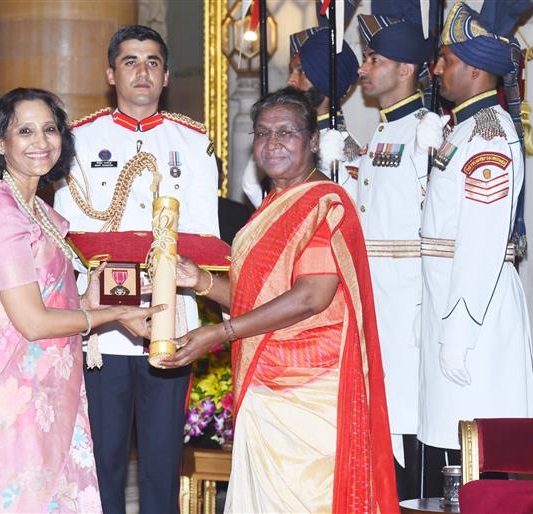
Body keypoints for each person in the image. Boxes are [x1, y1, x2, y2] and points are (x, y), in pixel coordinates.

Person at [161, 87, 398, 513]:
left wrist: (220, 331)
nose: (272, 143)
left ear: (312, 141)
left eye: (287, 133)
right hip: (266, 385)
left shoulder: (326, 204)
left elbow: (311, 296)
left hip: (310, 388)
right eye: (263, 133)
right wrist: (199, 281)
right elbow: (256, 299)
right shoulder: (271, 206)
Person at [0, 87, 163, 513]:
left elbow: (54, 303)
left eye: (50, 129)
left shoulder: (38, 210)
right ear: (0, 144)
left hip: (46, 388)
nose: (41, 141)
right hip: (5, 392)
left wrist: (100, 294)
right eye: (25, 131)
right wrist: (112, 313)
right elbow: (32, 320)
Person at [54, 25, 219, 514]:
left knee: (162, 458)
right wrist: (117, 310)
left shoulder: (192, 143)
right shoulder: (79, 141)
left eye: (151, 62)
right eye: (130, 61)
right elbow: (71, 241)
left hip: (171, 320)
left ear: (166, 75)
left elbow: (204, 240)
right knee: (101, 455)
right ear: (111, 73)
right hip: (103, 329)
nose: (141, 71)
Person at [418, 0, 533, 495]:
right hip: (450, 306)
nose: (438, 67)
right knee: (453, 454)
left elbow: (482, 241)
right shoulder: (463, 129)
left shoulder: (489, 135)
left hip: (475, 317)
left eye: (446, 58)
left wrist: (459, 334)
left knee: (478, 462)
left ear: (474, 68)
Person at [354, 0, 432, 499]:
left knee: (410, 426)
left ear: (405, 70)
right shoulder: (383, 131)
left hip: (408, 304)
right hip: (378, 298)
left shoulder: (426, 131)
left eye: (374, 60)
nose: (363, 68)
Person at [241, 27, 361, 207]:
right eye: (291, 71)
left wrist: (332, 165)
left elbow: (355, 208)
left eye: (300, 72)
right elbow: (252, 187)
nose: (290, 80)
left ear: (324, 80)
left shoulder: (346, 147)